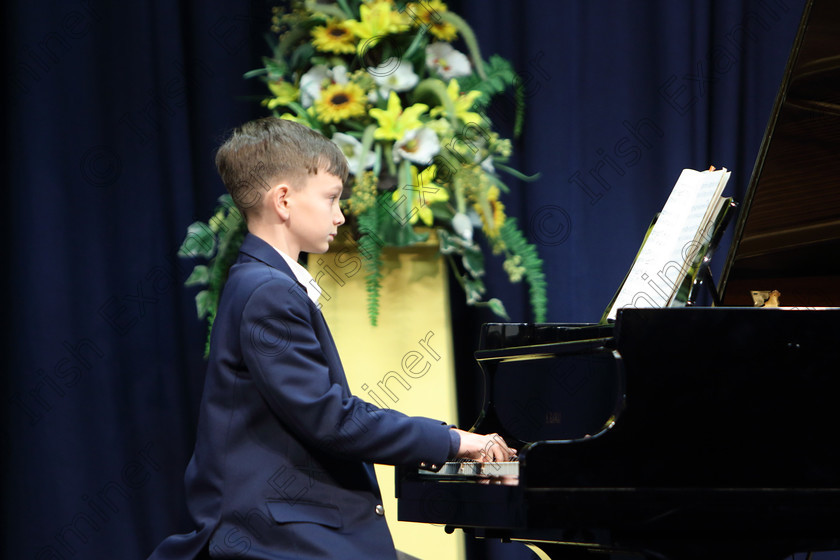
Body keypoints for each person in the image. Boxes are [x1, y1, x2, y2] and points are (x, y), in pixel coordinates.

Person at [148, 117, 516, 560]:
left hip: (291, 524)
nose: (341, 215)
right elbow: (332, 420)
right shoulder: (268, 290)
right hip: (272, 536)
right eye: (331, 198)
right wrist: (456, 442)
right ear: (283, 200)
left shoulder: (262, 282)